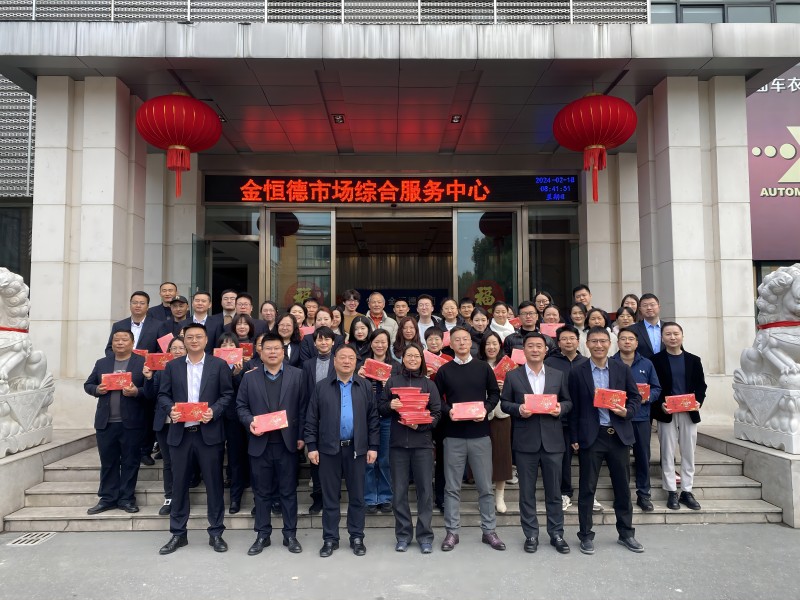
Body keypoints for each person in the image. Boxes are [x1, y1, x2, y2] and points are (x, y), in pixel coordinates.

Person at [157, 323, 233, 555]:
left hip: (208, 435)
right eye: (189, 337)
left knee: (214, 485)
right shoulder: (173, 366)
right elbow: (163, 395)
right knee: (179, 486)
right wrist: (170, 409)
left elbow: (227, 394)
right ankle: (178, 534)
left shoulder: (218, 365)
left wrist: (214, 411)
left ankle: (216, 532)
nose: (194, 340)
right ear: (184, 340)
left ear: (206, 340)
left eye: (198, 336)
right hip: (181, 435)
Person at [568, 326, 643, 555]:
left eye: (603, 341)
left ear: (610, 344)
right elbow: (573, 407)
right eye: (594, 341)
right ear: (587, 344)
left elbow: (635, 397)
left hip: (618, 435)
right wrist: (574, 437)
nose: (598, 345)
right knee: (587, 489)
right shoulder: (577, 372)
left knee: (622, 488)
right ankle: (585, 535)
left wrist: (626, 412)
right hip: (592, 437)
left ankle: (626, 533)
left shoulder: (621, 368)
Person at [304, 344, 379, 558]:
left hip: (357, 449)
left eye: (351, 358)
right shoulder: (322, 387)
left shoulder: (364, 386)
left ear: (356, 362)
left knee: (357, 497)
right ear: (334, 361)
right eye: (342, 357)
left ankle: (357, 537)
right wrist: (311, 446)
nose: (347, 361)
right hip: (329, 450)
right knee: (330, 498)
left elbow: (373, 419)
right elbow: (311, 419)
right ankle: (330, 538)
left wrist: (373, 447)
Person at [435, 326, 505, 552]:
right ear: (451, 344)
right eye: (457, 340)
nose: (462, 343)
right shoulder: (444, 370)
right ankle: (452, 532)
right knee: (451, 488)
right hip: (453, 436)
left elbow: (494, 393)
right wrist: (449, 411)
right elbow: (436, 400)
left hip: (480, 435)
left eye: (465, 339)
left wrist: (485, 409)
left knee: (485, 487)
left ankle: (489, 530)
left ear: (471, 343)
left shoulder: (483, 368)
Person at [501, 331, 572, 554]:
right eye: (530, 346)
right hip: (525, 442)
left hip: (553, 441)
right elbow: (504, 403)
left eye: (539, 346)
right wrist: (518, 409)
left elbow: (568, 401)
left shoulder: (557, 375)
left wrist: (561, 408)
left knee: (554, 492)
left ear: (546, 350)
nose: (534, 350)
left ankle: (556, 533)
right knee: (527, 492)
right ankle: (531, 534)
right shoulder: (513, 376)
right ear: (523, 350)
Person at [236, 333, 306, 555]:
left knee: (288, 492)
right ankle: (262, 535)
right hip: (260, 443)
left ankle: (290, 535)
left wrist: (302, 436)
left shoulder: (298, 375)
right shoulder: (250, 377)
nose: (273, 352)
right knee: (261, 492)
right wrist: (250, 421)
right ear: (261, 352)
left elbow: (304, 408)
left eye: (277, 348)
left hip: (288, 444)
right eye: (268, 348)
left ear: (283, 352)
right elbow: (241, 406)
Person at [380, 343, 442, 553]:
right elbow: (380, 408)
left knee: (425, 492)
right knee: (399, 492)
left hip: (422, 445)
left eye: (417, 356)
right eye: (409, 356)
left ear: (421, 360)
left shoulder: (429, 384)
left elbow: (437, 413)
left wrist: (420, 426)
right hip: (398, 445)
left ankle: (425, 536)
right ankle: (403, 535)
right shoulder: (392, 382)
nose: (413, 359)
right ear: (403, 359)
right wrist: (390, 406)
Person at [84, 330, 147, 515]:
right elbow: (88, 385)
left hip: (132, 422)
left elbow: (151, 389)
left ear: (132, 343)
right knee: (108, 462)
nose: (120, 342)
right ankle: (107, 498)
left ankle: (126, 499)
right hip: (106, 422)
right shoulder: (102, 363)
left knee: (130, 461)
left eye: (124, 339)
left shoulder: (141, 362)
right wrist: (97, 389)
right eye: (116, 339)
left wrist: (136, 392)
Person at [651, 322, 708, 511]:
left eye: (676, 333)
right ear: (662, 338)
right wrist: (660, 404)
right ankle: (671, 491)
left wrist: (698, 401)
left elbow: (701, 386)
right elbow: (654, 387)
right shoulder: (655, 360)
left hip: (688, 412)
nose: (672, 337)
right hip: (666, 412)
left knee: (688, 452)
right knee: (667, 452)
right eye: (668, 334)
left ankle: (687, 490)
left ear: (682, 336)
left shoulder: (693, 360)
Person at [611, 327, 662, 512]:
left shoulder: (647, 364)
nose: (627, 342)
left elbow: (656, 388)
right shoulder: (611, 363)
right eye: (623, 338)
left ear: (636, 343)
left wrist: (647, 397)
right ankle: (622, 495)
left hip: (641, 417)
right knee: (619, 458)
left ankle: (644, 494)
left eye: (630, 339)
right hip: (618, 417)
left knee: (642, 456)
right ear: (617, 342)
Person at [545, 325, 589, 512]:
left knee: (588, 458)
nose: (568, 342)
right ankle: (565, 492)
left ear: (578, 341)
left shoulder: (586, 362)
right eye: (564, 339)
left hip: (584, 418)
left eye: (572, 338)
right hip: (560, 418)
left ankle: (589, 494)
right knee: (563, 458)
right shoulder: (550, 362)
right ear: (558, 342)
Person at [357, 328, 400, 514]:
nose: (380, 345)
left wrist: (389, 385)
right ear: (371, 344)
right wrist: (359, 377)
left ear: (388, 344)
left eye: (383, 342)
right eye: (376, 342)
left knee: (384, 459)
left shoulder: (396, 367)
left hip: (387, 418)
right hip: (366, 418)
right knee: (368, 459)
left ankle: (385, 496)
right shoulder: (363, 365)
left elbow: (401, 395)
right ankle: (369, 497)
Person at [143, 335, 186, 516]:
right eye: (173, 348)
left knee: (183, 462)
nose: (177, 351)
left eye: (181, 348)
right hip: (165, 422)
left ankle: (182, 495)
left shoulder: (193, 369)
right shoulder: (161, 370)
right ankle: (170, 497)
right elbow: (150, 395)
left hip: (185, 422)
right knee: (168, 462)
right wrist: (148, 378)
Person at [301, 326, 338, 515]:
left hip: (335, 417)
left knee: (333, 460)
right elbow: (304, 393)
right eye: (320, 339)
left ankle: (333, 496)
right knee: (315, 459)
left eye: (327, 339)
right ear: (314, 343)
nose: (323, 343)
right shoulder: (308, 365)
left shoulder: (339, 361)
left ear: (333, 342)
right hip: (314, 417)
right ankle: (317, 497)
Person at [479, 331, 513, 514]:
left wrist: (505, 387)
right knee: (481, 458)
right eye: (488, 344)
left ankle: (500, 497)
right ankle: (484, 495)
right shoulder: (477, 365)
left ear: (500, 345)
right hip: (482, 415)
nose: (491, 347)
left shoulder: (509, 366)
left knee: (501, 456)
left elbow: (517, 392)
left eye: (494, 343)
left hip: (502, 415)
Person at [216, 333, 247, 515]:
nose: (227, 347)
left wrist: (235, 374)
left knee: (235, 458)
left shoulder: (244, 365)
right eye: (224, 344)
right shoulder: (211, 364)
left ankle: (235, 498)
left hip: (235, 418)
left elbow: (245, 390)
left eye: (231, 344)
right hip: (215, 417)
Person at [106, 291, 162, 356]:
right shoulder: (118, 325)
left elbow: (162, 350)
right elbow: (109, 349)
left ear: (147, 307)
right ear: (130, 305)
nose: (138, 306)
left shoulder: (158, 325)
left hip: (146, 362)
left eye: (142, 303)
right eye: (135, 303)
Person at [630, 293, 663, 359]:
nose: (649, 308)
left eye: (652, 305)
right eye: (645, 305)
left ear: (659, 307)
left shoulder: (669, 327)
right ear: (640, 309)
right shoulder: (632, 330)